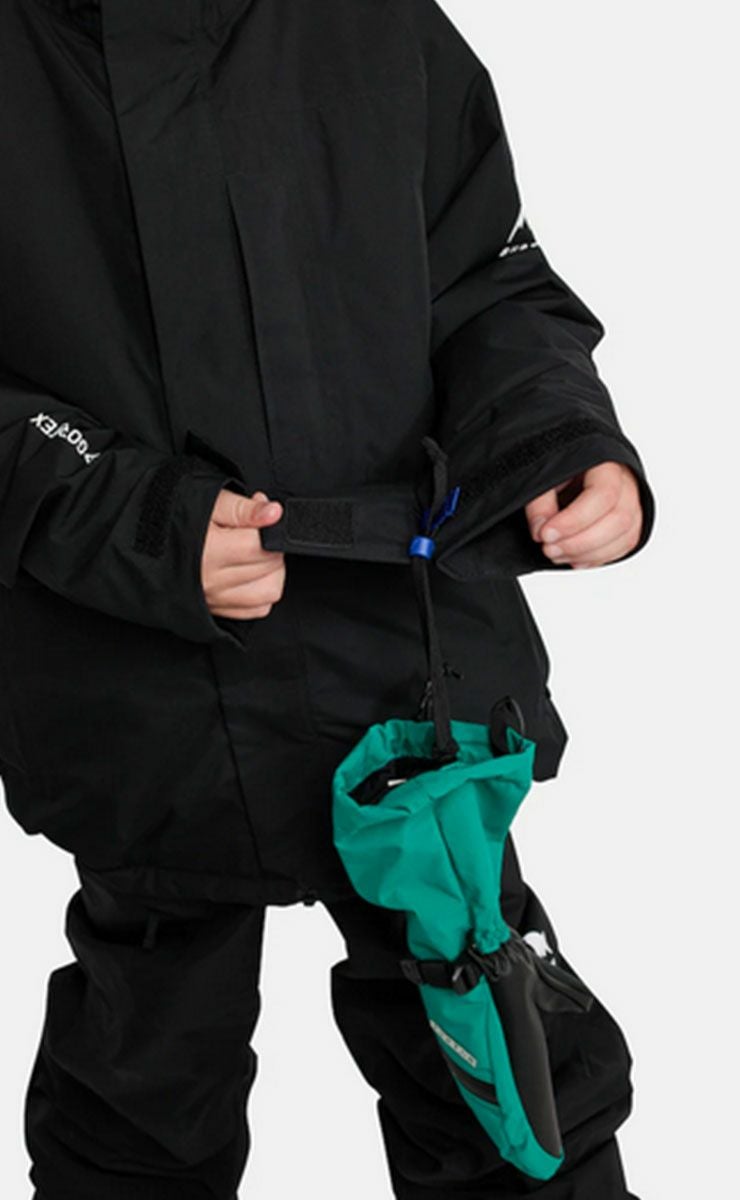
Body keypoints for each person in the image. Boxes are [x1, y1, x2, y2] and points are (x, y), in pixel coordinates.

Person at [0, 1, 655, 1197]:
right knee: (138, 1106)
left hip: (405, 687)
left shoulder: (373, 22)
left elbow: (489, 287)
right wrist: (135, 518)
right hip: (142, 694)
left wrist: (559, 445)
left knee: (509, 1090)